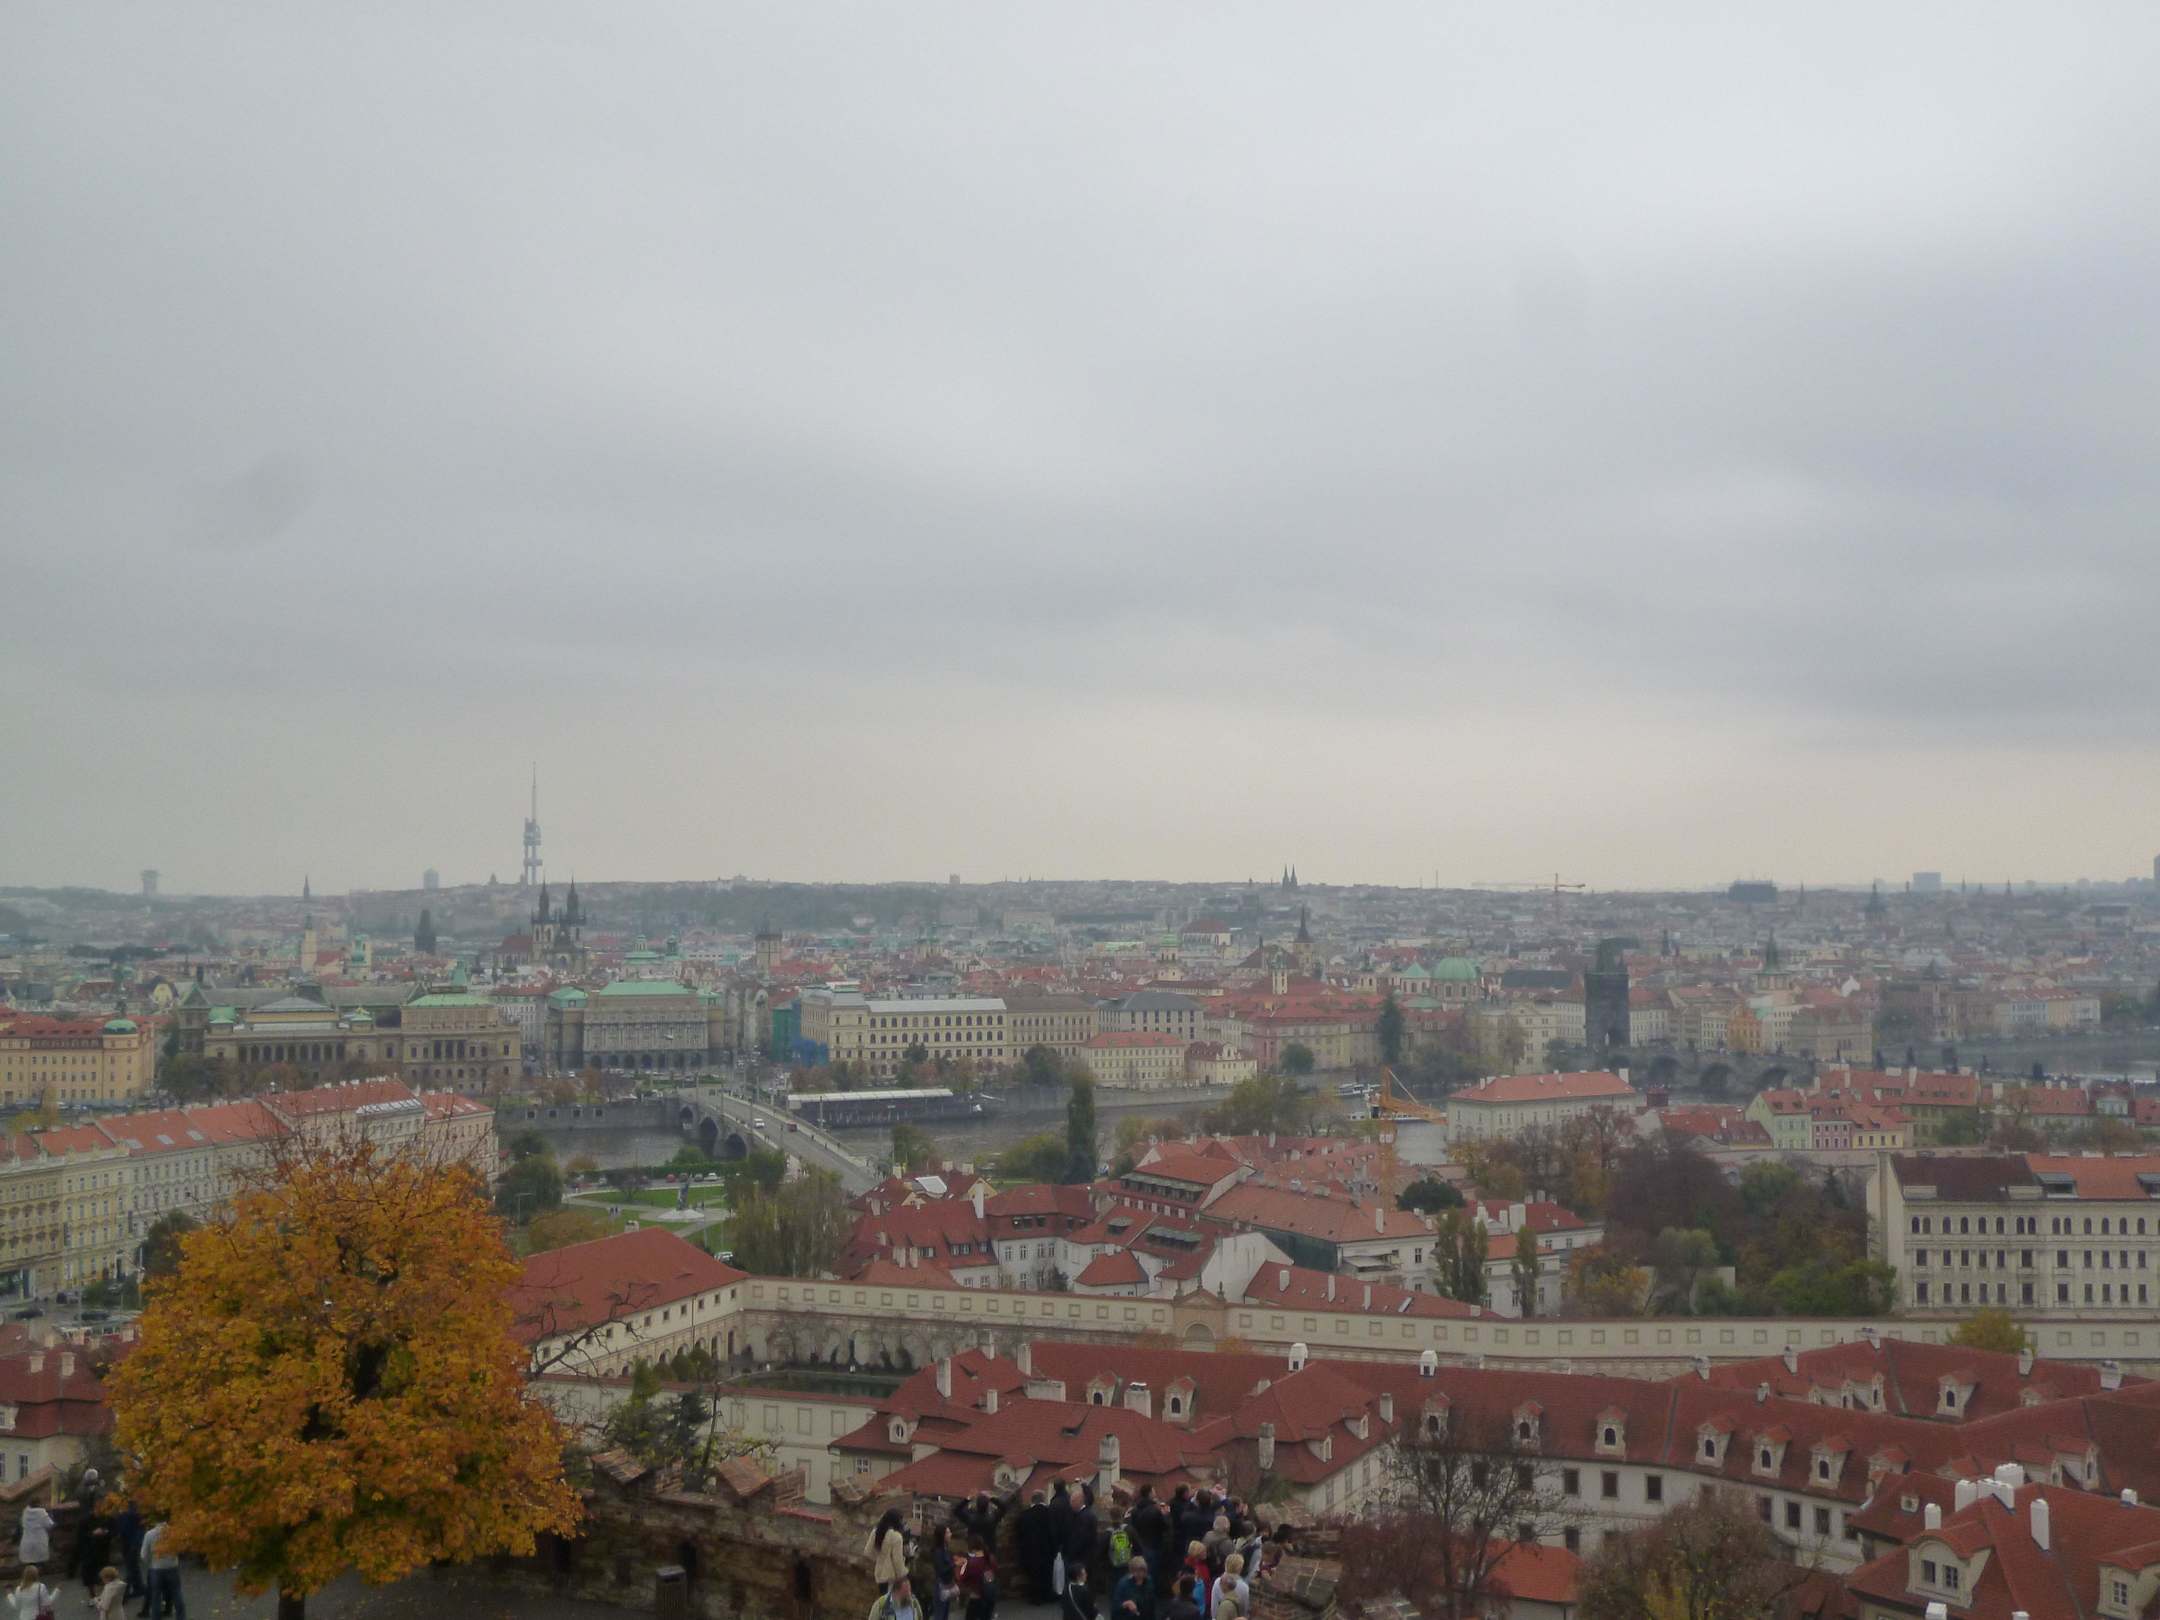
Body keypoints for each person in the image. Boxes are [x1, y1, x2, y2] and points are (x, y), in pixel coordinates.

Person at [1017, 1489, 1056, 1603]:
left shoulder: (1025, 1515)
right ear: (1043, 1499)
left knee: (1034, 1574)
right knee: (1047, 1572)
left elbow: (1020, 1534)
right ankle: (1047, 1595)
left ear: (1032, 1500)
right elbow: (1054, 1531)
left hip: (1030, 1549)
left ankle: (1035, 1597)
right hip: (1047, 1548)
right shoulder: (1050, 1513)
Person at [140, 1523, 185, 1620]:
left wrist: (150, 1563)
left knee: (156, 1596)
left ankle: (156, 1617)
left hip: (156, 1568)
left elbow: (143, 1555)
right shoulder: (174, 1532)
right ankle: (181, 1617)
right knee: (177, 1593)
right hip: (172, 1567)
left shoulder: (149, 1534)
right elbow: (181, 1549)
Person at [1061, 1485, 1098, 1595]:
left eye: (1072, 1501)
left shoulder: (1084, 1517)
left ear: (1079, 1501)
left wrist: (1070, 1553)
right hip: (1084, 1556)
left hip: (1081, 1557)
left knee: (1080, 1584)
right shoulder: (1085, 1514)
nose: (1070, 1504)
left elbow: (1081, 1539)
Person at [957, 1532, 998, 1620]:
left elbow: (962, 1578)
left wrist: (962, 1566)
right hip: (989, 1597)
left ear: (971, 1547)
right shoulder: (991, 1559)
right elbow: (993, 1575)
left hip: (976, 1597)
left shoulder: (972, 1563)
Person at [868, 1509, 909, 1594]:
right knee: (890, 1600)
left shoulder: (876, 1532)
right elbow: (897, 1561)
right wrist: (903, 1576)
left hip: (879, 1573)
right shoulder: (896, 1537)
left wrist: (880, 1558)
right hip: (891, 1576)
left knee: (883, 1597)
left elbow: (868, 1551)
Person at [113, 1501, 144, 1605]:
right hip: (133, 1544)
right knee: (132, 1568)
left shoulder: (121, 1516)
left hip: (125, 1544)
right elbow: (139, 1530)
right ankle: (128, 1592)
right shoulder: (136, 1516)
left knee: (132, 1567)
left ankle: (137, 1588)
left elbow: (120, 1531)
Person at [926, 1524, 957, 1620]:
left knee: (945, 1614)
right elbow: (941, 1570)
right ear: (942, 1535)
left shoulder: (946, 1549)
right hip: (940, 1585)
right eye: (948, 1532)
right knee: (940, 1614)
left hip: (947, 1584)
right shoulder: (937, 1551)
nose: (950, 1534)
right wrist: (955, 1564)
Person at [1111, 1555, 1154, 1620]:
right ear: (1131, 1571)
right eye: (1135, 1571)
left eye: (1141, 1570)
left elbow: (1151, 1605)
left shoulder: (1149, 1581)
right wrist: (1126, 1604)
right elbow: (1115, 1607)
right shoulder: (1123, 1584)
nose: (1138, 1574)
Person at [1209, 1553, 1249, 1620]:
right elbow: (1244, 1609)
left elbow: (1214, 1606)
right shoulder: (1244, 1587)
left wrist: (1214, 1618)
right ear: (1240, 1568)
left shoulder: (1218, 1581)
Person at [1180, 1543, 1211, 1618]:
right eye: (1203, 1551)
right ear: (1197, 1553)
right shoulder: (1190, 1568)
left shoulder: (1203, 1564)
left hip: (1204, 1599)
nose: (1206, 1553)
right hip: (1198, 1602)